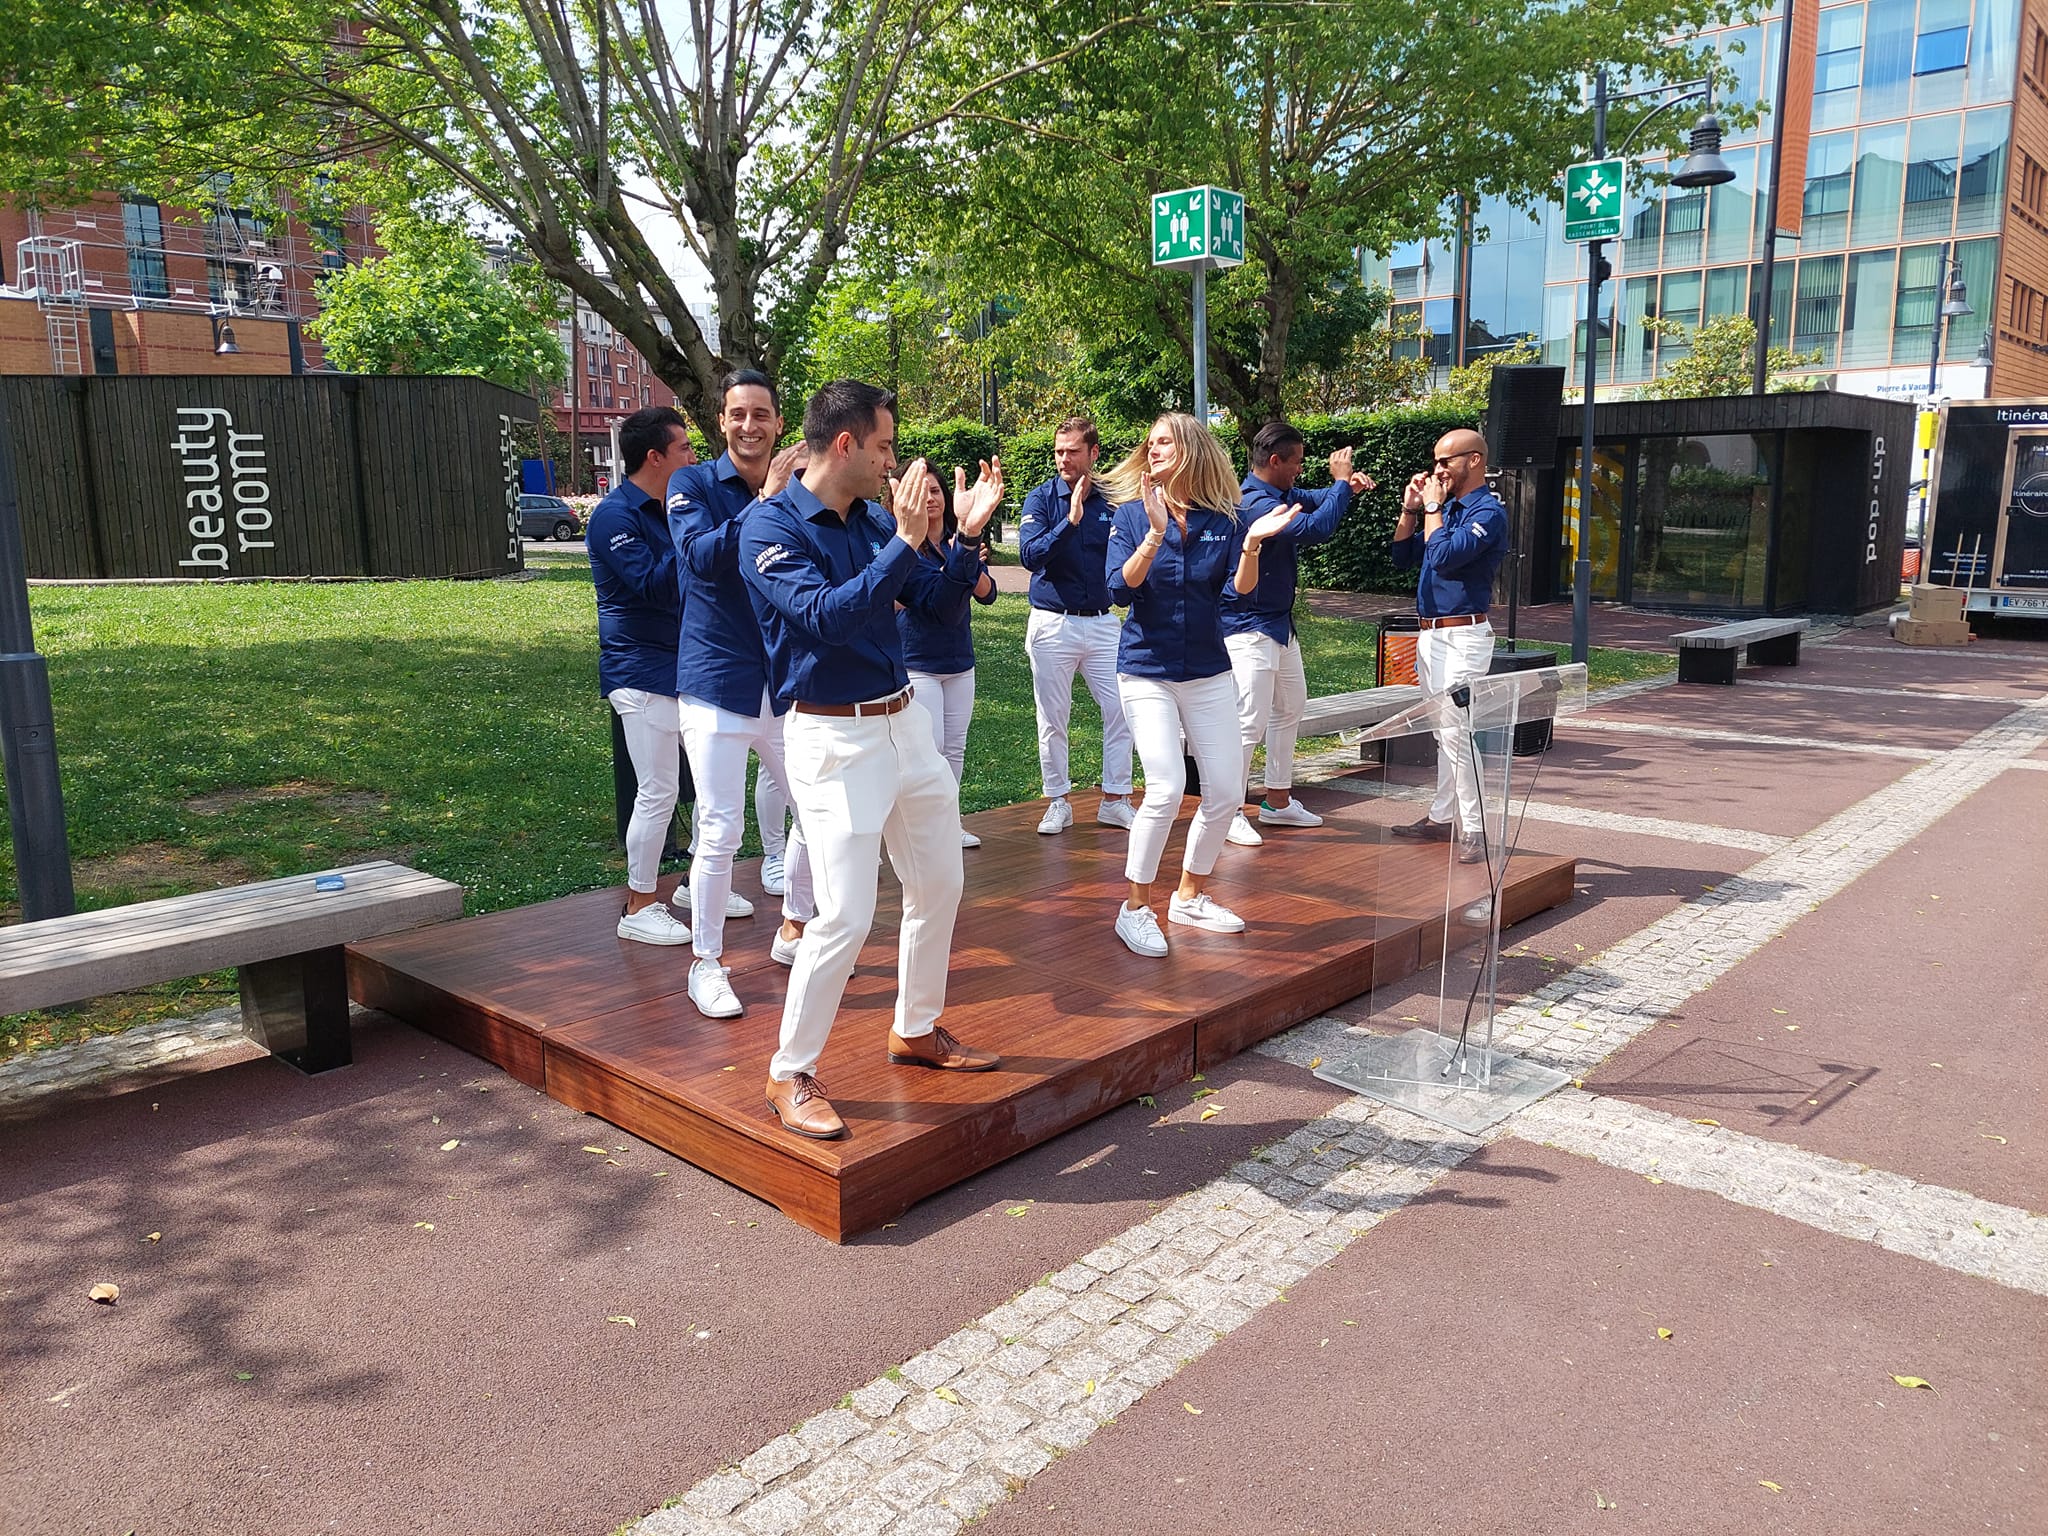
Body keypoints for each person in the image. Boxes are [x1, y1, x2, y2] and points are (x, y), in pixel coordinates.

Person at [739, 381, 1004, 1141]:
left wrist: (964, 540)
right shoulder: (768, 528)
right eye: (884, 447)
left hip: (904, 723)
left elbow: (938, 606)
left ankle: (915, 1028)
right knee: (846, 915)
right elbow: (828, 617)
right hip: (833, 738)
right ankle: (788, 1072)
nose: (893, 462)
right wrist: (905, 542)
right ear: (846, 444)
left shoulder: (874, 521)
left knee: (940, 882)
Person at [1104, 413, 1304, 959]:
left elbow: (1240, 593)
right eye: (1150, 443)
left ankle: (1189, 896)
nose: (1154, 450)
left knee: (1226, 793)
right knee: (1167, 788)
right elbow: (1119, 591)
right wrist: (1153, 535)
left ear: (1191, 450)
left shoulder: (1224, 517)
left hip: (1209, 671)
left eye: (1165, 442)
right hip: (1146, 670)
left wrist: (1252, 545)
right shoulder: (1130, 515)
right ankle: (1134, 908)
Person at [666, 370, 820, 1019]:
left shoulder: (803, 488)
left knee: (815, 813)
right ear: (721, 421)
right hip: (716, 682)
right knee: (721, 827)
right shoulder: (692, 485)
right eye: (738, 414)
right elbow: (701, 557)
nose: (749, 425)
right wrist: (768, 500)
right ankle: (706, 963)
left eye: (761, 414)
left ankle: (795, 928)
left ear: (779, 423)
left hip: (785, 683)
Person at [1224, 422, 1376, 847]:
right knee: (1248, 722)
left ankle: (1277, 801)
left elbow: (1317, 498)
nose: (1300, 471)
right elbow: (1316, 529)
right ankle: (1228, 810)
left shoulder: (1280, 493)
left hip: (1278, 624)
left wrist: (1346, 488)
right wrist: (1341, 482)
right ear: (1275, 461)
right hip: (1247, 626)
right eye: (1297, 463)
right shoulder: (1255, 503)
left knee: (1291, 707)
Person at [587, 405, 697, 945]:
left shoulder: (665, 509)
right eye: (684, 449)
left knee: (711, 786)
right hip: (640, 672)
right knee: (658, 790)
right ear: (655, 457)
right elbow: (655, 585)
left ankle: (696, 884)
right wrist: (692, 532)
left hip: (684, 667)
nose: (694, 458)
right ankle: (638, 905)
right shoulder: (615, 517)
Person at [1387, 427, 1509, 863]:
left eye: (1445, 461)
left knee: (1456, 732)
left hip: (1463, 636)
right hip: (1431, 635)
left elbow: (1442, 556)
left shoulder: (1487, 513)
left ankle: (1474, 828)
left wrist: (1433, 507)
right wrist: (1411, 509)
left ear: (1474, 460)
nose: (1437, 469)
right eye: (1435, 461)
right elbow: (1403, 557)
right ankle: (1441, 817)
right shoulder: (1447, 509)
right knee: (1444, 732)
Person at [1017, 417, 1137, 835]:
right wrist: (1068, 522)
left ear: (1093, 453)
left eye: (1072, 451)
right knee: (1053, 717)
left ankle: (1115, 799)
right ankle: (1058, 801)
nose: (1063, 459)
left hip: (1103, 623)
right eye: (1058, 451)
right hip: (1053, 624)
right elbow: (1030, 556)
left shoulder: (1112, 500)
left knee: (1123, 707)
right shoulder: (1041, 499)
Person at [897, 462, 1003, 848]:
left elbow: (988, 594)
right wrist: (952, 570)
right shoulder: (903, 545)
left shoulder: (962, 542)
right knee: (931, 749)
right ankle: (920, 830)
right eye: (921, 491)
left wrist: (966, 556)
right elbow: (910, 600)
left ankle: (948, 823)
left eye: (935, 490)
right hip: (918, 661)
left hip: (959, 660)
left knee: (954, 748)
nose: (930, 498)